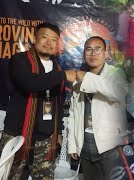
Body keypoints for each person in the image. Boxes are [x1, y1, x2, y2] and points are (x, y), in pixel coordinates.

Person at [0, 22, 76, 179]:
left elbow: (59, 104)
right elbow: (30, 83)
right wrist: (62, 76)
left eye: (54, 39)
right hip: (17, 135)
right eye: (44, 37)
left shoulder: (58, 69)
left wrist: (59, 132)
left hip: (46, 138)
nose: (49, 42)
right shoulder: (19, 60)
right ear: (34, 39)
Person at [67, 36, 128, 179]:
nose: (93, 53)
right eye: (88, 49)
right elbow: (73, 114)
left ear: (106, 54)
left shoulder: (116, 73)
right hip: (86, 147)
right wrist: (73, 145)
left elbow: (118, 92)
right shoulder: (78, 79)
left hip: (110, 148)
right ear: (83, 54)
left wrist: (86, 78)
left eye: (97, 49)